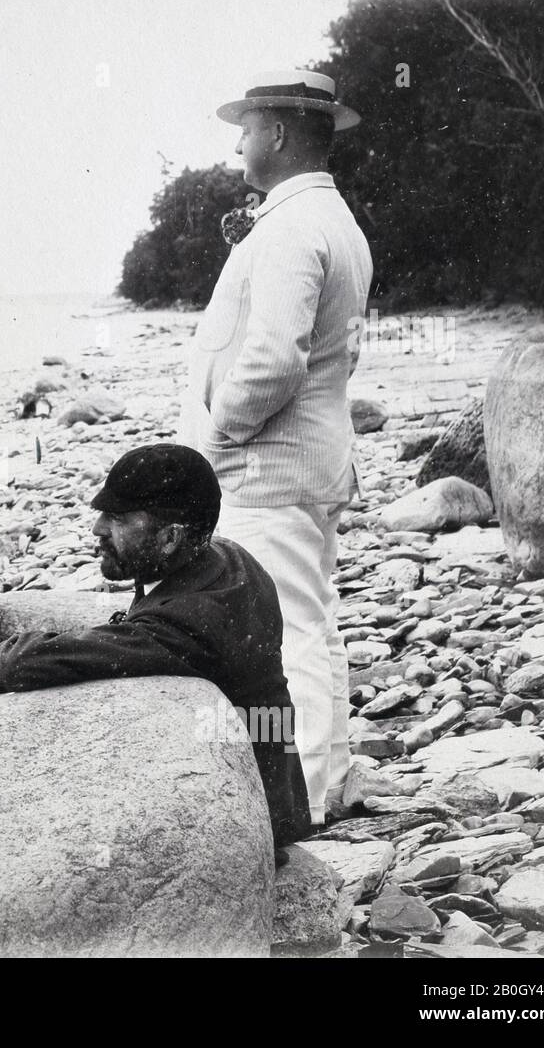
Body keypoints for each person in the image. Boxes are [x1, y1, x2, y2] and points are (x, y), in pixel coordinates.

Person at [181, 70, 373, 825]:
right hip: (308, 460)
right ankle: (329, 777)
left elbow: (274, 358)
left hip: (271, 469)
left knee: (285, 629)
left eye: (249, 128)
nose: (239, 143)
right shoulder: (333, 218)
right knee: (313, 620)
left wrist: (217, 434)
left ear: (281, 134)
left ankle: (309, 798)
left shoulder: (294, 225)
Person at [0, 444, 312, 853]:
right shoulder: (227, 558)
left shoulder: (188, 623)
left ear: (169, 537)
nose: (97, 529)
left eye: (117, 519)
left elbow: (16, 666)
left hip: (249, 821)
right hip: (273, 789)